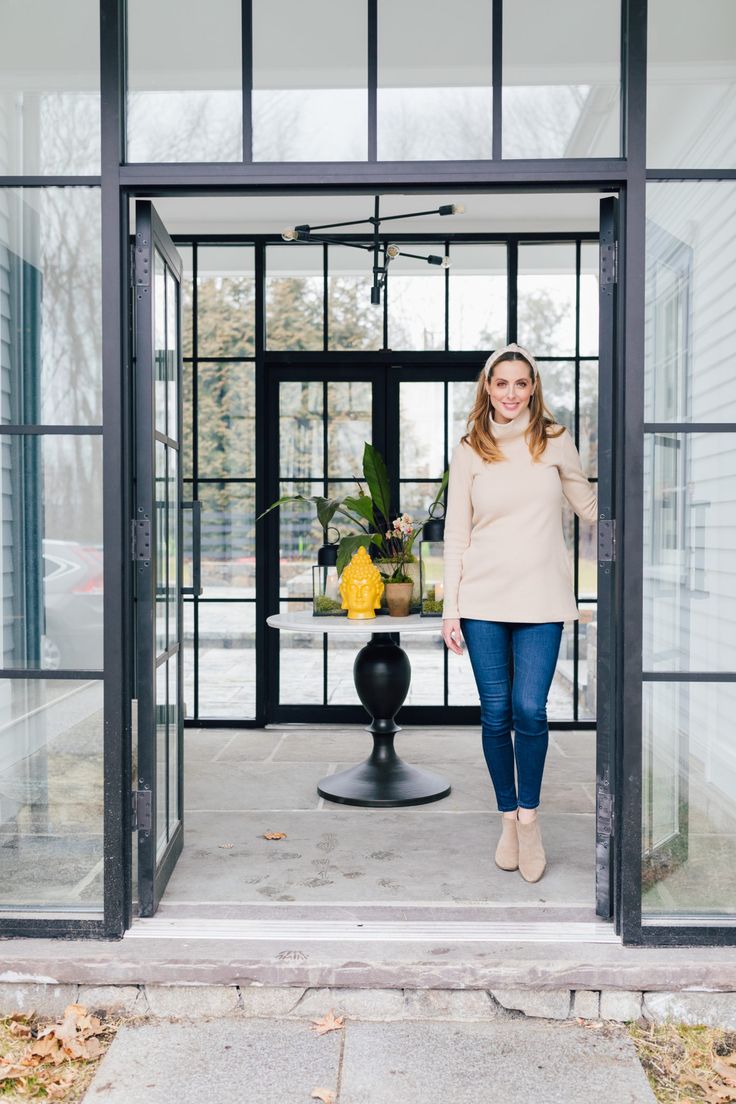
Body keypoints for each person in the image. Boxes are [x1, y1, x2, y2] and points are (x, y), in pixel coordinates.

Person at [441, 342, 598, 883]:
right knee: (496, 712)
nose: (511, 393)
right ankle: (508, 817)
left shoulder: (554, 440)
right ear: (487, 387)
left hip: (542, 600)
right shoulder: (468, 449)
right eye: (501, 383)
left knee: (531, 709)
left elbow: (590, 507)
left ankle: (529, 818)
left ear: (534, 389)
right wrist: (450, 608)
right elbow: (457, 533)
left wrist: (649, 494)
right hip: (482, 599)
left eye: (521, 384)